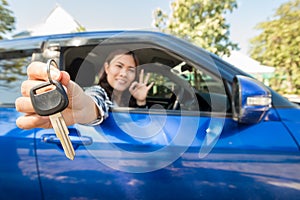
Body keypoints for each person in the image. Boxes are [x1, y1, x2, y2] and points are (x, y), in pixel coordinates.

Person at [15, 49, 154, 129]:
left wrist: (141, 101)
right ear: (107, 68)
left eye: (131, 69)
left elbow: (142, 126)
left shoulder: (128, 98)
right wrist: (86, 109)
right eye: (119, 66)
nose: (124, 73)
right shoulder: (99, 92)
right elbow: (93, 100)